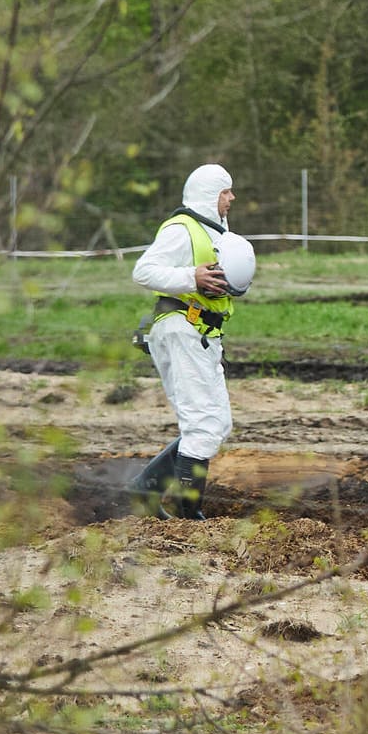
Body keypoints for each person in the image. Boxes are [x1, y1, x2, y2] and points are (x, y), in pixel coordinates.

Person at [125, 164, 256, 519]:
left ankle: (146, 489)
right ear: (209, 195)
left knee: (218, 424)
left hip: (202, 333)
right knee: (201, 424)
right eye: (225, 192)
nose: (231, 198)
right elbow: (144, 271)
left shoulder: (213, 231)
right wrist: (191, 277)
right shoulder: (182, 229)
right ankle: (188, 514)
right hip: (183, 328)